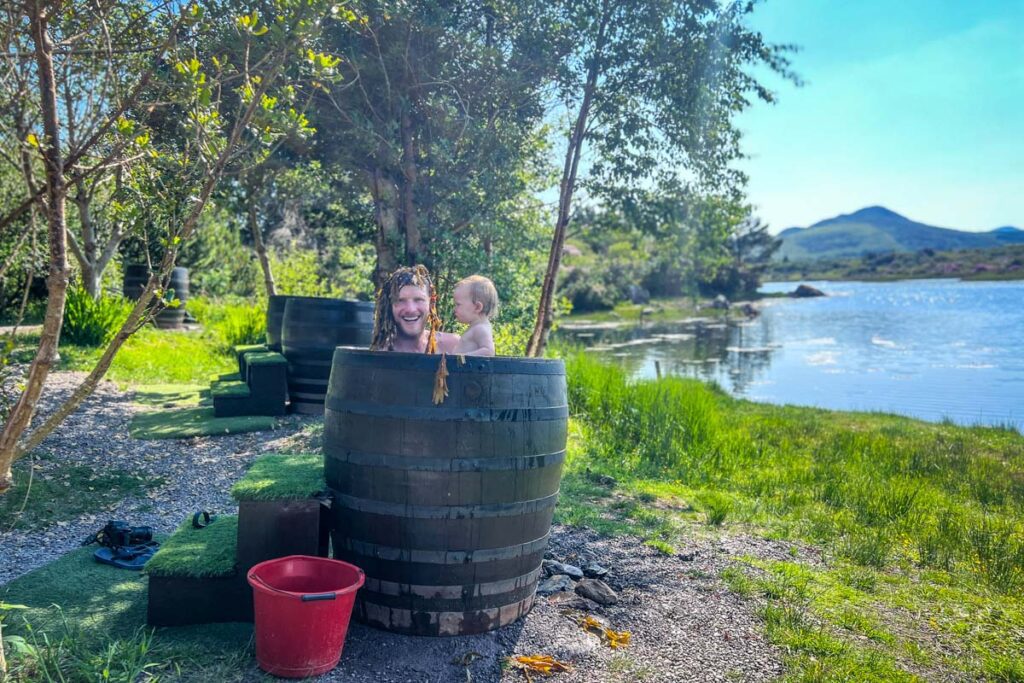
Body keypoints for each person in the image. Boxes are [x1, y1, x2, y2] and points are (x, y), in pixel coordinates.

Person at [370, 265, 460, 353]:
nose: (411, 309)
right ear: (390, 305)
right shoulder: (380, 355)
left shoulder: (453, 347)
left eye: (419, 300)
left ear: (431, 302)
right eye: (400, 300)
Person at [452, 275, 497, 357]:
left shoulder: (480, 329)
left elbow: (489, 351)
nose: (454, 309)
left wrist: (461, 357)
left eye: (458, 304)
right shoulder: (475, 327)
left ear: (477, 307)